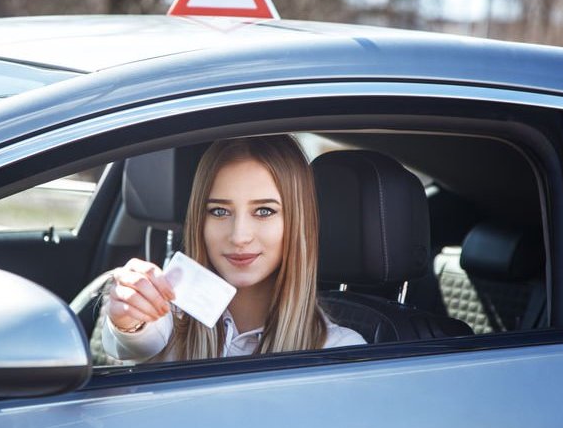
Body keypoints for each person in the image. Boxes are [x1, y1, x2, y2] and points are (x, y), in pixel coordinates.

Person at [98, 135, 365, 363]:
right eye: (219, 211)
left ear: (298, 223)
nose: (239, 236)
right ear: (199, 221)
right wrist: (129, 320)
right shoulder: (165, 319)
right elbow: (135, 341)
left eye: (264, 211)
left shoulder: (339, 353)